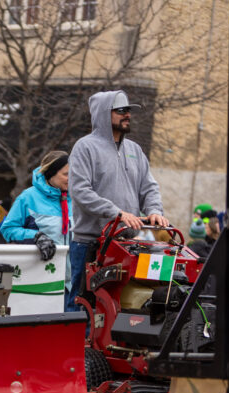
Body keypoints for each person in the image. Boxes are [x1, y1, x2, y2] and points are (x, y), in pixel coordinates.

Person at [67, 90, 169, 313]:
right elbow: (80, 191)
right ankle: (75, 347)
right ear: (104, 114)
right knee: (82, 301)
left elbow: (149, 187)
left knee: (119, 303)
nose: (128, 115)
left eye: (129, 110)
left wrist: (154, 210)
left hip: (128, 243)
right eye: (121, 110)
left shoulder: (135, 150)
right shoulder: (85, 147)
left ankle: (110, 346)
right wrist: (117, 212)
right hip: (91, 243)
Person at [0, 151, 72, 309]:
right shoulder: (28, 197)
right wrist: (36, 236)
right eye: (66, 174)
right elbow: (8, 229)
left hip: (75, 285)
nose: (71, 178)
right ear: (51, 173)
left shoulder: (78, 197)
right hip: (42, 281)